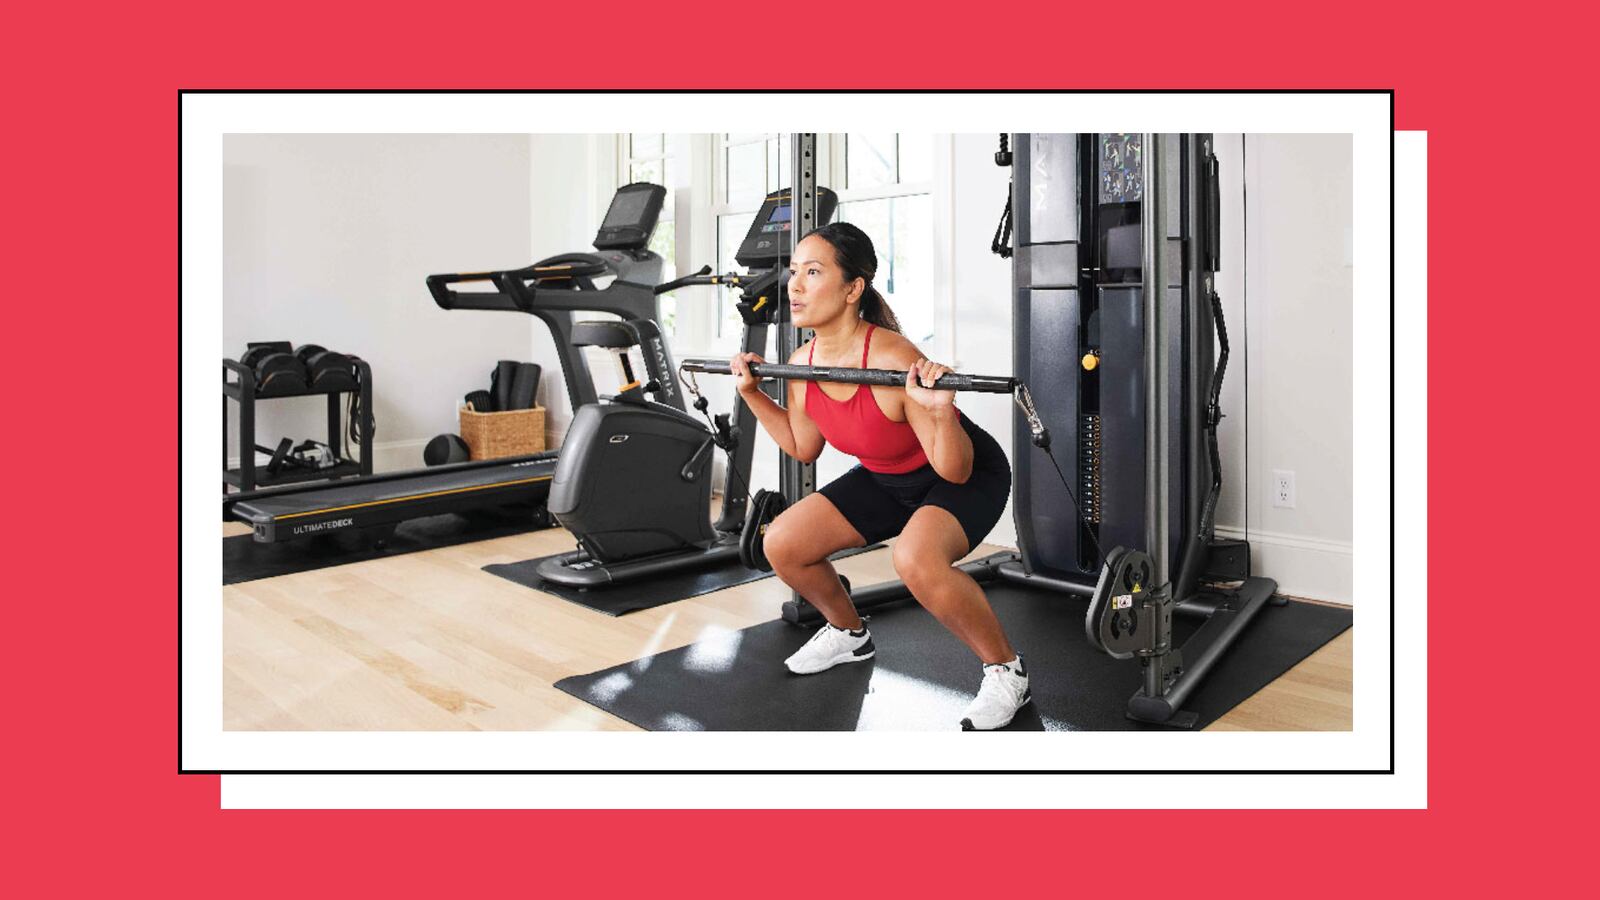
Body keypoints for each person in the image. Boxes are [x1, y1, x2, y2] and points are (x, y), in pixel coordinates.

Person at [730, 222, 1029, 731]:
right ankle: (849, 634)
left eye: (814, 272)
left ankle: (1007, 670)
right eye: (794, 272)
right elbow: (804, 448)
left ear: (852, 289)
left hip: (961, 472)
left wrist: (937, 412)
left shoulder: (892, 358)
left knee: (914, 559)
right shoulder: (802, 364)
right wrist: (755, 394)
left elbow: (952, 468)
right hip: (886, 477)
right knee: (781, 542)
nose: (795, 286)